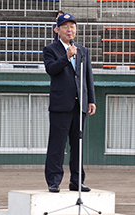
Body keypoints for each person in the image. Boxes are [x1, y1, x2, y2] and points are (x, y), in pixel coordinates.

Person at [43, 13, 96, 193]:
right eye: (65, 26)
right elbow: (51, 70)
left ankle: (77, 181)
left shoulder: (83, 51)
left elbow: (88, 77)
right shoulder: (50, 50)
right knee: (57, 145)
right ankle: (53, 181)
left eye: (72, 26)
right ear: (57, 29)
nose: (69, 29)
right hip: (60, 105)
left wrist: (91, 100)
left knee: (78, 144)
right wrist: (66, 57)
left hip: (79, 104)